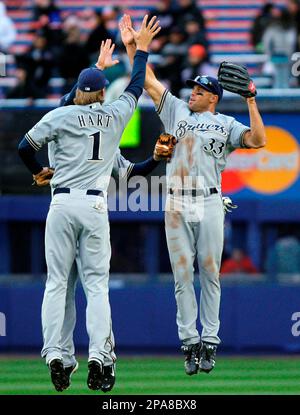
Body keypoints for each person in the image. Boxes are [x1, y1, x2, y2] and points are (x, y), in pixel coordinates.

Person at [18, 16, 160, 392]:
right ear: (101, 94)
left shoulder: (61, 114)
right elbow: (133, 86)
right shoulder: (114, 118)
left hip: (61, 205)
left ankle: (57, 356)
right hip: (95, 207)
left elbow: (25, 147)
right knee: (96, 286)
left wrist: (38, 171)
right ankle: (100, 355)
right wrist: (140, 49)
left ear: (79, 91)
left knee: (57, 284)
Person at [119, 14, 266, 376]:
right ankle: (189, 344)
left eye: (199, 90)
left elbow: (259, 140)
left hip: (210, 199)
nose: (192, 93)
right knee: (182, 275)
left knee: (210, 272)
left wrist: (250, 101)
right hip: (176, 199)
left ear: (213, 97)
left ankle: (210, 343)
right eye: (192, 89)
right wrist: (134, 49)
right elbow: (149, 81)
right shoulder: (176, 110)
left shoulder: (226, 124)